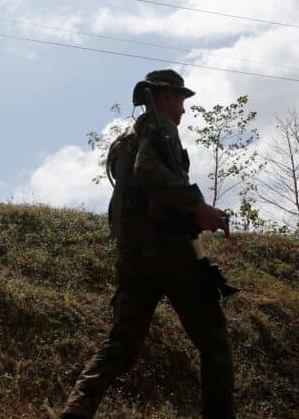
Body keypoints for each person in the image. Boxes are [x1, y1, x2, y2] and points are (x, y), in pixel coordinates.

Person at [60, 69, 235, 419]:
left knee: (120, 346)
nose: (183, 111)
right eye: (181, 101)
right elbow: (150, 172)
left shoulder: (126, 139)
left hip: (133, 258)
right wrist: (198, 208)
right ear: (165, 97)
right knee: (215, 345)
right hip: (170, 254)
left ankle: (75, 412)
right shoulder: (160, 129)